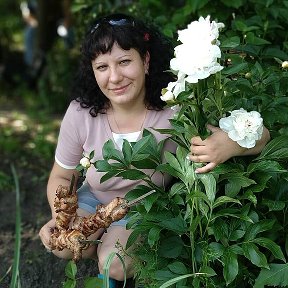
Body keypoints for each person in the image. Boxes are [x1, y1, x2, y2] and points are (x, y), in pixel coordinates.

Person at [39, 13, 270, 286]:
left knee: (115, 262)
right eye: (102, 67)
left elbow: (263, 136)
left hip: (143, 210)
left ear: (146, 61)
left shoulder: (173, 107)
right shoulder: (81, 112)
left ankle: (113, 261)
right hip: (94, 200)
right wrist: (61, 219)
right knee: (63, 244)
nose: (114, 77)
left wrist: (228, 144)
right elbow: (62, 176)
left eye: (124, 61)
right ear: (93, 70)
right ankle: (99, 246)